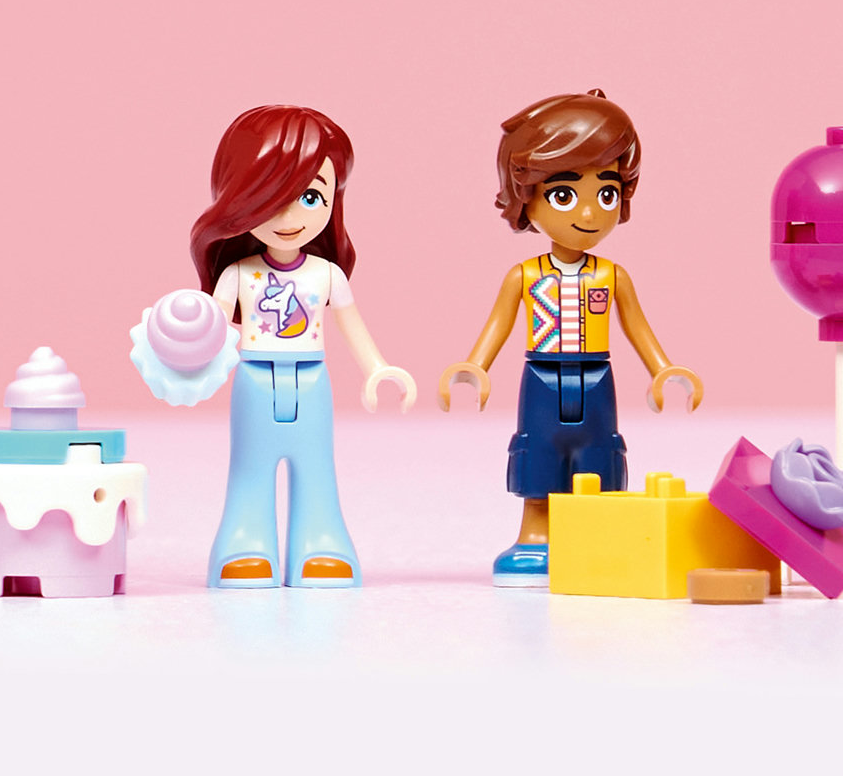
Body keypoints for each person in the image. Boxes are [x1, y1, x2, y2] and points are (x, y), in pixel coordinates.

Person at [131, 105, 414, 587]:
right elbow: (212, 326)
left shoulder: (327, 274)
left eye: (310, 196)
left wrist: (378, 369)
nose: (290, 215)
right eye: (271, 197)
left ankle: (321, 543)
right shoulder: (238, 273)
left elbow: (353, 326)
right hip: (255, 381)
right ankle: (245, 543)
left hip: (312, 381)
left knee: (317, 467)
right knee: (250, 466)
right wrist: (179, 345)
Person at [438, 90, 703, 586]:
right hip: (541, 377)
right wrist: (475, 365)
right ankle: (535, 538)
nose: (590, 212)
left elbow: (637, 327)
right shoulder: (525, 275)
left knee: (598, 456)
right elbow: (498, 324)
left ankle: (598, 537)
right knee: (538, 453)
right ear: (526, 197)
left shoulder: (612, 276)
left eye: (607, 193)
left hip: (597, 378)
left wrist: (663, 369)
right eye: (564, 194)